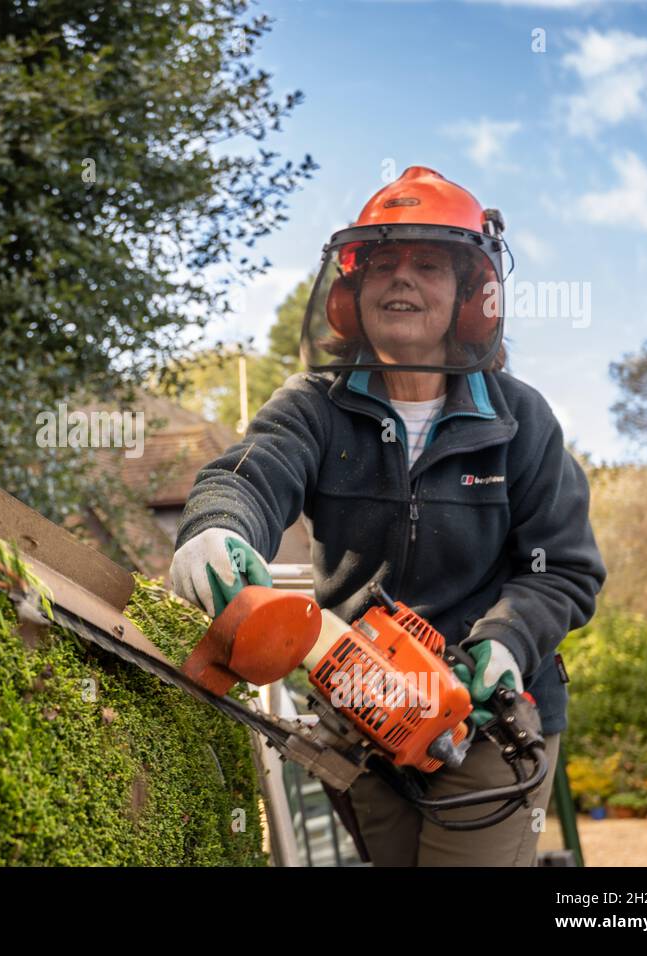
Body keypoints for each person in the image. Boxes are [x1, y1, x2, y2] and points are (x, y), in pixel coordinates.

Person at [167, 166, 606, 866]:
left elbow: (564, 568)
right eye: (382, 265)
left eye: (428, 264)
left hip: (487, 718)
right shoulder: (315, 405)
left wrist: (503, 644)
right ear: (351, 295)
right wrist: (217, 527)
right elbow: (249, 474)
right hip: (361, 714)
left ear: (470, 294)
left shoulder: (520, 420)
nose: (401, 280)